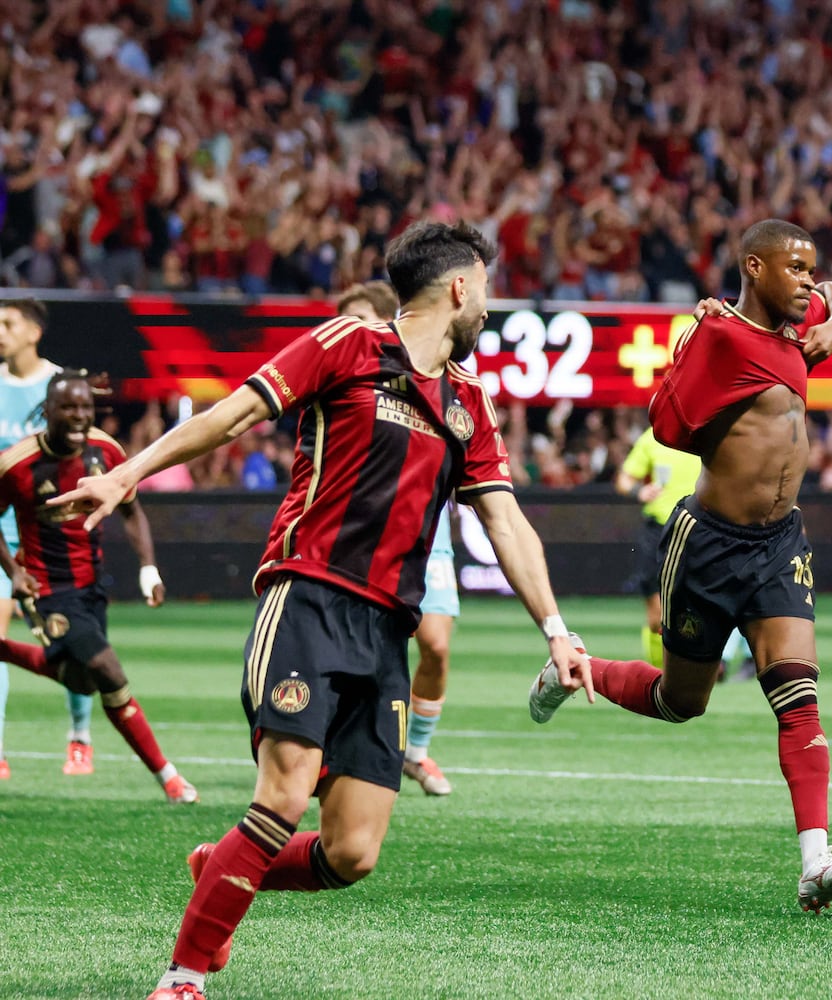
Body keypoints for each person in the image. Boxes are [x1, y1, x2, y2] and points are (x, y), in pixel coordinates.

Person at [54, 221, 591, 1000]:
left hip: (386, 632)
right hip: (307, 595)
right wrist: (126, 475)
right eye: (489, 291)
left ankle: (221, 866)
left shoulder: (470, 402)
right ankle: (183, 977)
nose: (489, 309)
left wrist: (557, 630)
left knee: (351, 853)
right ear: (460, 286)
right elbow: (233, 414)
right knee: (284, 790)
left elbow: (504, 521)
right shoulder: (346, 344)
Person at [528, 218, 832, 914]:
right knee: (684, 701)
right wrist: (690, 346)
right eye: (795, 268)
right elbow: (665, 423)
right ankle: (579, 670)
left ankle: (815, 860)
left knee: (798, 696)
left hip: (780, 546)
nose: (809, 280)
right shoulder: (721, 338)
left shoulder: (795, 338)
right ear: (753, 268)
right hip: (709, 544)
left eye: (811, 268)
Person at [0, 371, 193, 802]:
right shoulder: (16, 464)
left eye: (85, 407)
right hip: (47, 591)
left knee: (81, 681)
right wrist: (14, 572)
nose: (78, 416)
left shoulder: (105, 450)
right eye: (68, 407)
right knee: (109, 672)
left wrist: (149, 568)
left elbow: (131, 510)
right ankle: (171, 780)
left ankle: (2, 648)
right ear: (47, 411)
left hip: (90, 587)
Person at [337, 280, 456, 795]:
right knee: (364, 651)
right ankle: (346, 746)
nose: (351, 330)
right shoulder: (346, 379)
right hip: (361, 539)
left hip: (429, 535)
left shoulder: (440, 376)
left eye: (360, 318)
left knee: (434, 646)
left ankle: (418, 750)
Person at [0, 299, 92, 780]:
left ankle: (80, 738)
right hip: (0, 530)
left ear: (33, 331)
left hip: (49, 535)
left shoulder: (62, 388)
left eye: (8, 323)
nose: (0, 331)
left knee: (71, 644)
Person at [613, 426, 700, 669]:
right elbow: (623, 480)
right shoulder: (653, 437)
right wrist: (638, 490)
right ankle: (660, 677)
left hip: (698, 529)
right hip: (658, 532)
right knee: (656, 617)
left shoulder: (706, 433)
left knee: (695, 610)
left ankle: (691, 670)